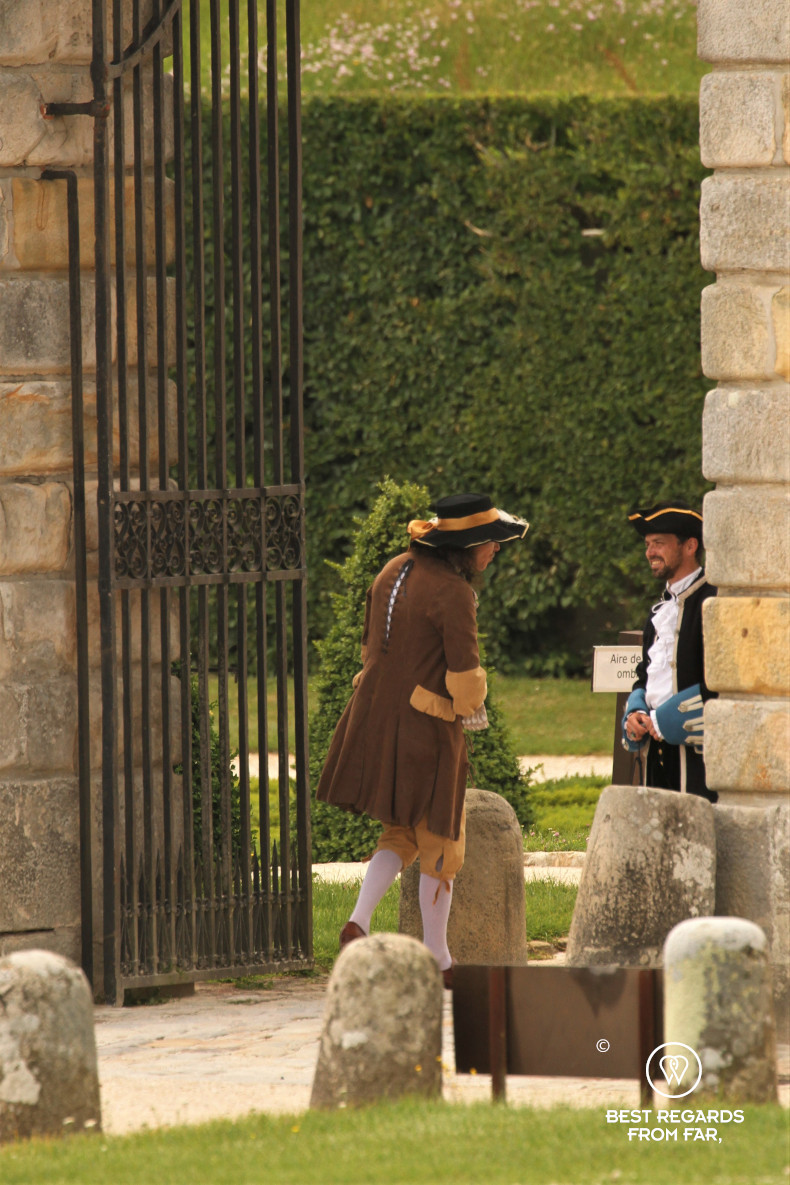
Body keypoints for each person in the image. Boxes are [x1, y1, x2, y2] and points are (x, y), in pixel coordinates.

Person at [316, 492, 529, 987]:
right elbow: (464, 680)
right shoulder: (453, 592)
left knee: (400, 832)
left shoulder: (393, 568)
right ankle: (440, 959)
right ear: (466, 547)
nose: (494, 551)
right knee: (442, 841)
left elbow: (372, 646)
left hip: (376, 717)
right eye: (489, 543)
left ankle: (359, 922)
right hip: (427, 729)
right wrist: (472, 705)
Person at [622, 499, 717, 803]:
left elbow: (725, 683)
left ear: (690, 546)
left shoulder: (713, 602)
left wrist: (666, 720)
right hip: (657, 754)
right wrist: (636, 711)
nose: (650, 552)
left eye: (659, 543)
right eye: (648, 544)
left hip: (700, 760)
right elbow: (645, 676)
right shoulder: (661, 609)